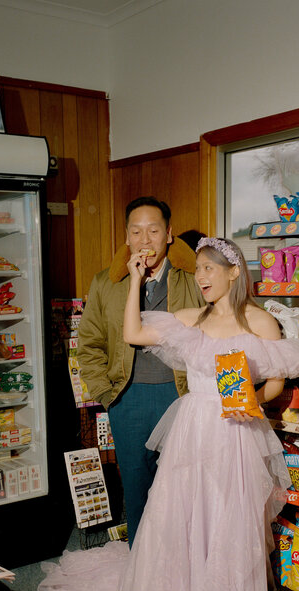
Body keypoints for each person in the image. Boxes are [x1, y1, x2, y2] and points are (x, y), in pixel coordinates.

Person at [41, 237, 299, 591]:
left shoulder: (260, 322)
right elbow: (133, 332)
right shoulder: (192, 318)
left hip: (236, 430)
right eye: (199, 269)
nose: (202, 276)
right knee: (177, 513)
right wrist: (135, 279)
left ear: (234, 273)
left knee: (229, 517)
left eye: (210, 268)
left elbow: (276, 383)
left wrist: (249, 400)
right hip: (192, 425)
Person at [77, 197, 204, 546]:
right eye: (136, 231)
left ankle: (181, 569)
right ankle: (140, 573)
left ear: (169, 235)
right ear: (127, 237)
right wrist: (107, 395)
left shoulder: (193, 280)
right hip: (127, 398)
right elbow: (88, 343)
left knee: (183, 489)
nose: (144, 240)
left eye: (153, 230)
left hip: (181, 396)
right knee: (135, 489)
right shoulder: (106, 282)